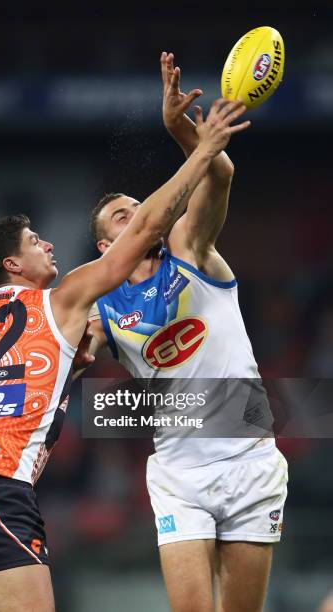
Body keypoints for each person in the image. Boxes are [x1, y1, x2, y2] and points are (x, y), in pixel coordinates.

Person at [0, 82, 249, 611]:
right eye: (34, 243)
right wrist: (200, 148)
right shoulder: (65, 301)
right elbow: (150, 226)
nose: (47, 244)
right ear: (13, 266)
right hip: (0, 490)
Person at [76, 52, 288, 612]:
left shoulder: (190, 250)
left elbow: (219, 173)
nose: (138, 213)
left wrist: (178, 127)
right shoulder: (101, 305)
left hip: (249, 459)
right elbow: (82, 346)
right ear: (105, 247)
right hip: (179, 472)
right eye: (122, 216)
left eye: (137, 206)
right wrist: (80, 351)